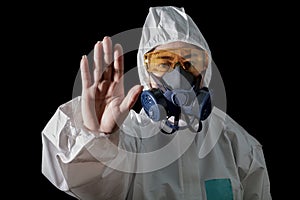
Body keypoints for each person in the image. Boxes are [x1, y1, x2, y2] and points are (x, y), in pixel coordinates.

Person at [41, 6, 272, 200]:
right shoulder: (131, 139)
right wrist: (97, 137)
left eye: (191, 62)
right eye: (163, 63)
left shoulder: (234, 143)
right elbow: (91, 186)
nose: (179, 75)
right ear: (145, 71)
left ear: (206, 70)